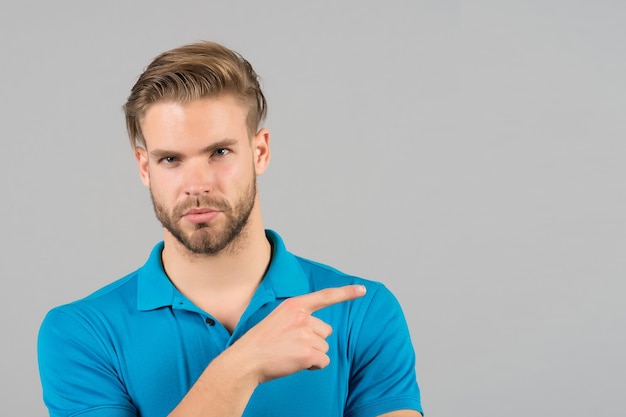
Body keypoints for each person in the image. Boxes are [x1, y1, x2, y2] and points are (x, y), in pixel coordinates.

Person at [37, 41, 423, 417]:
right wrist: (241, 367)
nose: (197, 183)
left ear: (260, 152)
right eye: (170, 159)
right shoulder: (81, 333)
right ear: (144, 167)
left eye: (219, 152)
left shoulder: (362, 310)